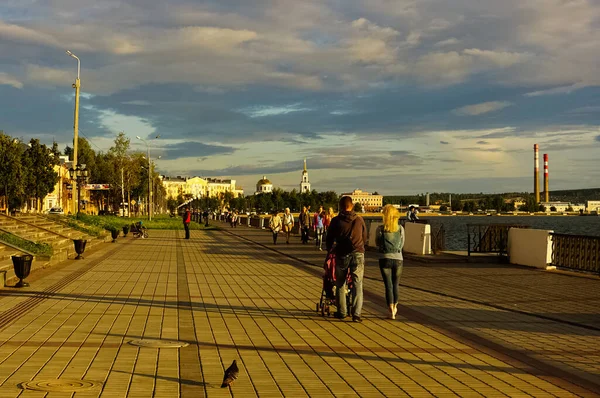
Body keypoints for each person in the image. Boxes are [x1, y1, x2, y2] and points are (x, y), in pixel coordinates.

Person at [326, 196, 367, 323]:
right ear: (352, 205)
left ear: (340, 206)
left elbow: (329, 238)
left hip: (342, 254)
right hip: (358, 254)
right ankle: (356, 314)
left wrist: (329, 250)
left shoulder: (336, 221)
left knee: (340, 283)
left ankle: (342, 312)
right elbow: (365, 237)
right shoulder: (359, 220)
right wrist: (360, 247)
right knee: (357, 284)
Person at [376, 205, 405, 319]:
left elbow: (377, 243)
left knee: (388, 285)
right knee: (395, 284)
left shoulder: (380, 229)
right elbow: (402, 244)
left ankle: (391, 308)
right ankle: (396, 308)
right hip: (398, 258)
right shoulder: (400, 228)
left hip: (384, 258)